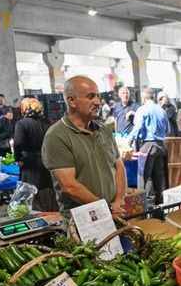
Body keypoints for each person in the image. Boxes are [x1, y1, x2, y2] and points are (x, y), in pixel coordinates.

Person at [41, 76, 126, 218]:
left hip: (113, 213)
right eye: (91, 97)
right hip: (82, 219)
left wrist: (118, 201)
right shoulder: (56, 136)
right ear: (71, 101)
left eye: (98, 96)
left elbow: (119, 167)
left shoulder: (104, 130)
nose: (98, 102)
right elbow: (69, 186)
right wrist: (106, 209)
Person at [13, 98, 58, 212]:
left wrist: (18, 158)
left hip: (30, 163)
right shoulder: (48, 122)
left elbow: (18, 143)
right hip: (48, 160)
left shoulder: (22, 123)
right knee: (48, 190)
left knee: (31, 192)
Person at [129, 87, 169, 205]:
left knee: (143, 178)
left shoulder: (143, 109)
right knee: (158, 178)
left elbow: (138, 127)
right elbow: (168, 129)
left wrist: (128, 141)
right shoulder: (162, 111)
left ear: (143, 97)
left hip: (147, 145)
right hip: (161, 146)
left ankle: (143, 208)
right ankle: (158, 206)